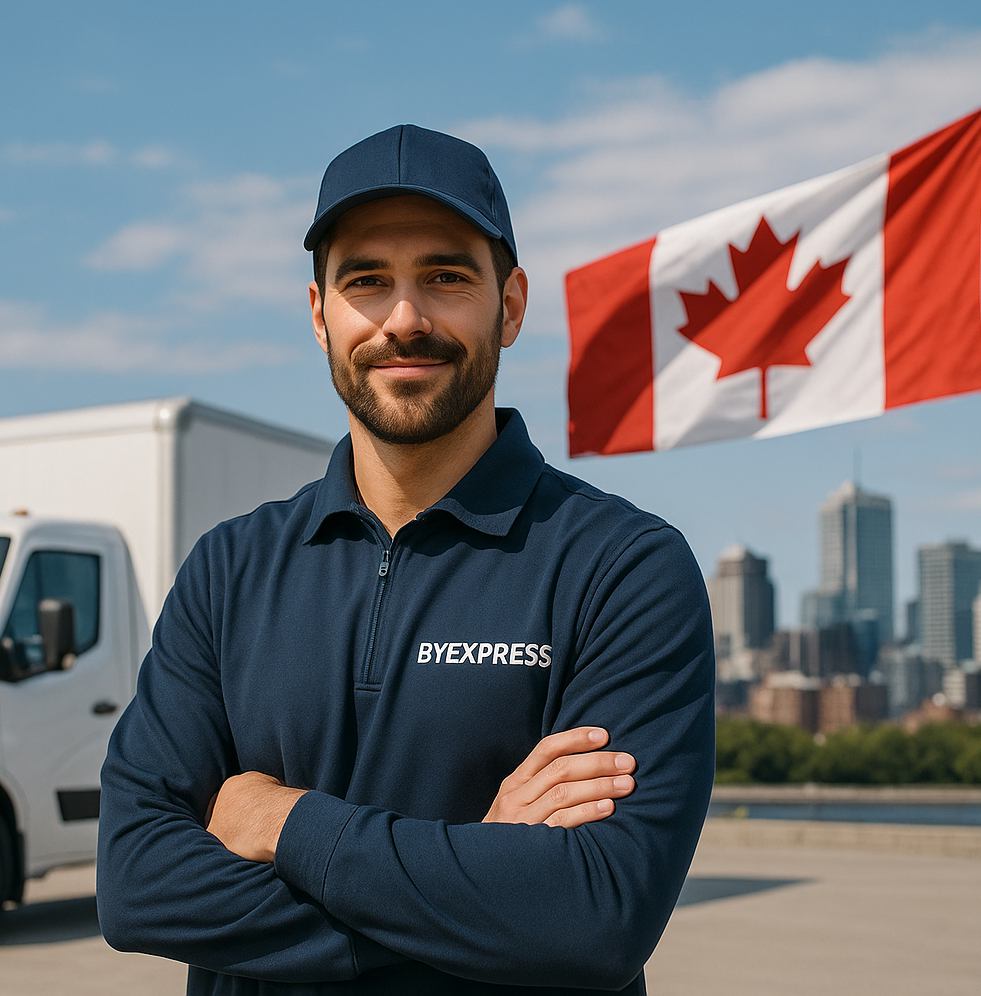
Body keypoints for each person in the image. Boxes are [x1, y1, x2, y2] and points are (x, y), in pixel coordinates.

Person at [97, 125, 715, 995]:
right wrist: (483, 878)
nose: (405, 319)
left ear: (512, 303)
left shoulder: (624, 568)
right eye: (366, 282)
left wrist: (284, 820)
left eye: (446, 277)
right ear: (320, 314)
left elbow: (595, 915)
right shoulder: (229, 571)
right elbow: (137, 888)